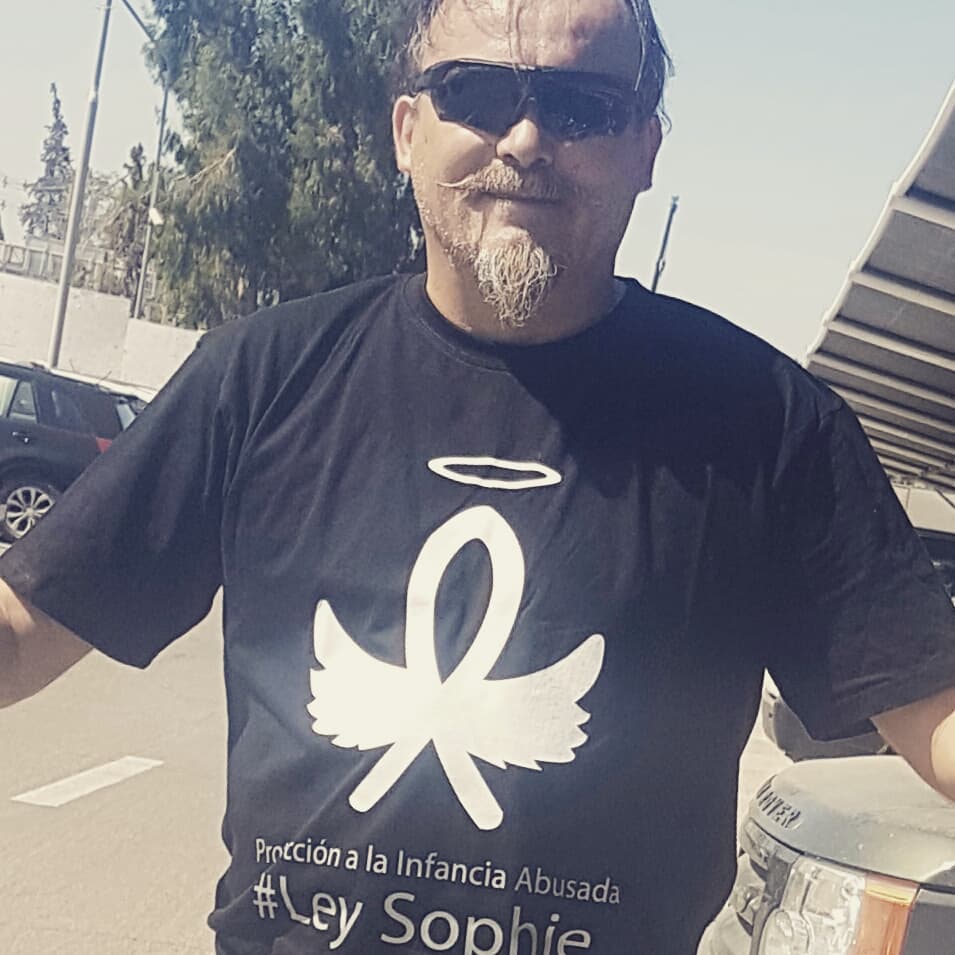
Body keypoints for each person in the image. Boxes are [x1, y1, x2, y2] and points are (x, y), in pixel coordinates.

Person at [2, 0, 955, 952]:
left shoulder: (765, 425)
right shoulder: (262, 377)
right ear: (407, 131)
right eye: (478, 93)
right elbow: (28, 623)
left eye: (582, 106)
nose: (527, 138)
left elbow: (934, 712)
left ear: (645, 149)